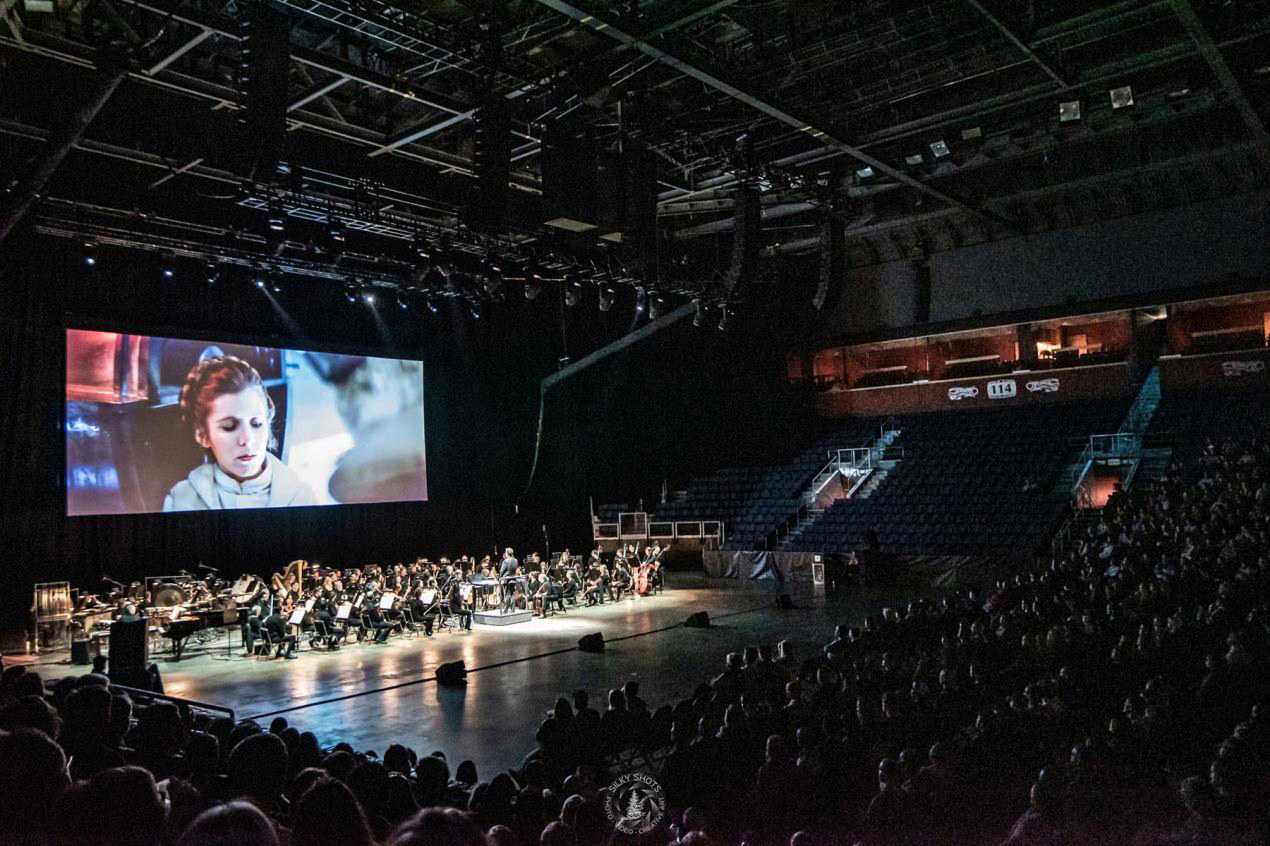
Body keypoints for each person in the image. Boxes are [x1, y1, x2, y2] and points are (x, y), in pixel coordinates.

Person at [163, 356, 316, 511]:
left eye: (256, 424)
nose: (247, 440)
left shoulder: (302, 499)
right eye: (229, 427)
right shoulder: (180, 502)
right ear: (203, 435)